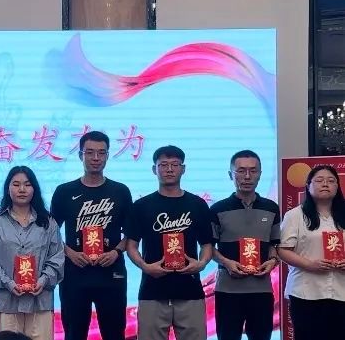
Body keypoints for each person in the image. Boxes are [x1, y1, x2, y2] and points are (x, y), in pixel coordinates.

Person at [126, 146, 214, 340]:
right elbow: (131, 245)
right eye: (163, 165)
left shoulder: (197, 204)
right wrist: (145, 266)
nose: (169, 169)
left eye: (175, 164)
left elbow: (207, 244)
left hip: (190, 290)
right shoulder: (141, 206)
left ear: (183, 169)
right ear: (154, 169)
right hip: (152, 291)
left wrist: (201, 264)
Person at [50, 131, 132, 340]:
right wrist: (69, 253)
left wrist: (116, 252)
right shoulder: (64, 191)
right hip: (74, 273)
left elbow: (131, 233)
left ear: (107, 156)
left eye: (101, 153)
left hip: (111, 273)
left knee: (114, 333)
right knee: (74, 333)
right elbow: (50, 233)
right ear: (81, 155)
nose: (96, 158)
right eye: (90, 152)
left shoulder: (120, 191)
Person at [0, 166, 64, 340]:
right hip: (6, 301)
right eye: (16, 184)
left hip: (40, 300)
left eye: (27, 184)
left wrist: (43, 280)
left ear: (34, 189)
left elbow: (57, 257)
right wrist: (8, 283)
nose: (22, 189)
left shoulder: (48, 222)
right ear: (8, 189)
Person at [210, 150, 280, 340]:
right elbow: (209, 249)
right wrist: (226, 263)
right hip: (227, 290)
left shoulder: (271, 208)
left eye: (253, 171)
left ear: (260, 174)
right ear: (230, 174)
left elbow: (275, 245)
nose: (247, 176)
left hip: (262, 290)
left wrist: (273, 260)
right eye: (241, 171)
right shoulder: (217, 209)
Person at [277, 165, 345, 340]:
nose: (325, 184)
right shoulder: (295, 215)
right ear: (308, 185)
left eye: (331, 181)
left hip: (341, 291)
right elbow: (283, 250)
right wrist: (310, 264)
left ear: (337, 186)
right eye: (319, 180)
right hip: (306, 292)